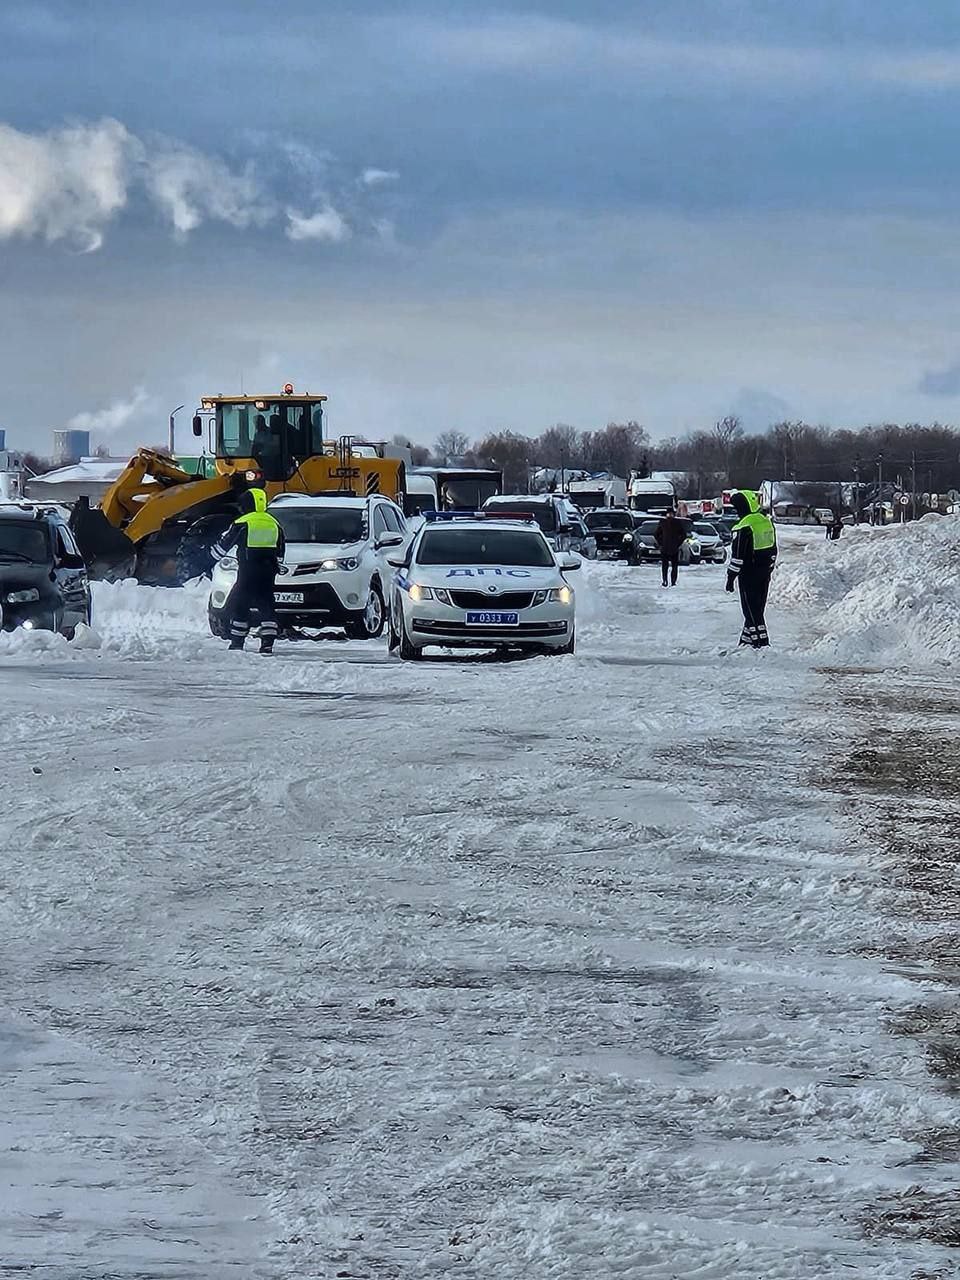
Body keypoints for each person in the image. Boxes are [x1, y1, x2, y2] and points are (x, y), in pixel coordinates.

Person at [211, 488, 285, 654]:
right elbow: (281, 549)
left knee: (240, 603)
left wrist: (207, 558)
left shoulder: (243, 522)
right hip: (268, 572)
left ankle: (237, 642)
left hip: (248, 571)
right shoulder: (274, 523)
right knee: (267, 604)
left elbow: (223, 547)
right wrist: (276, 565)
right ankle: (267, 643)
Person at [725, 489, 777, 648]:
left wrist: (730, 578)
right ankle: (745, 641)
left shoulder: (744, 526)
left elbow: (738, 557)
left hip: (748, 575)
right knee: (758, 608)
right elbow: (774, 550)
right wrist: (769, 568)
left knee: (751, 610)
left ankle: (761, 642)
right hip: (764, 573)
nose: (736, 512)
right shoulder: (765, 522)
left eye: (737, 508)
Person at [654, 508, 686, 587]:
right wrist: (661, 543)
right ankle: (665, 580)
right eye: (668, 514)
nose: (670, 515)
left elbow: (683, 535)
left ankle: (673, 582)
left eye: (671, 514)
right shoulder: (663, 522)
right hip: (665, 548)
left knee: (674, 566)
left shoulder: (677, 523)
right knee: (665, 566)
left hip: (674, 548)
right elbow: (656, 534)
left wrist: (678, 543)